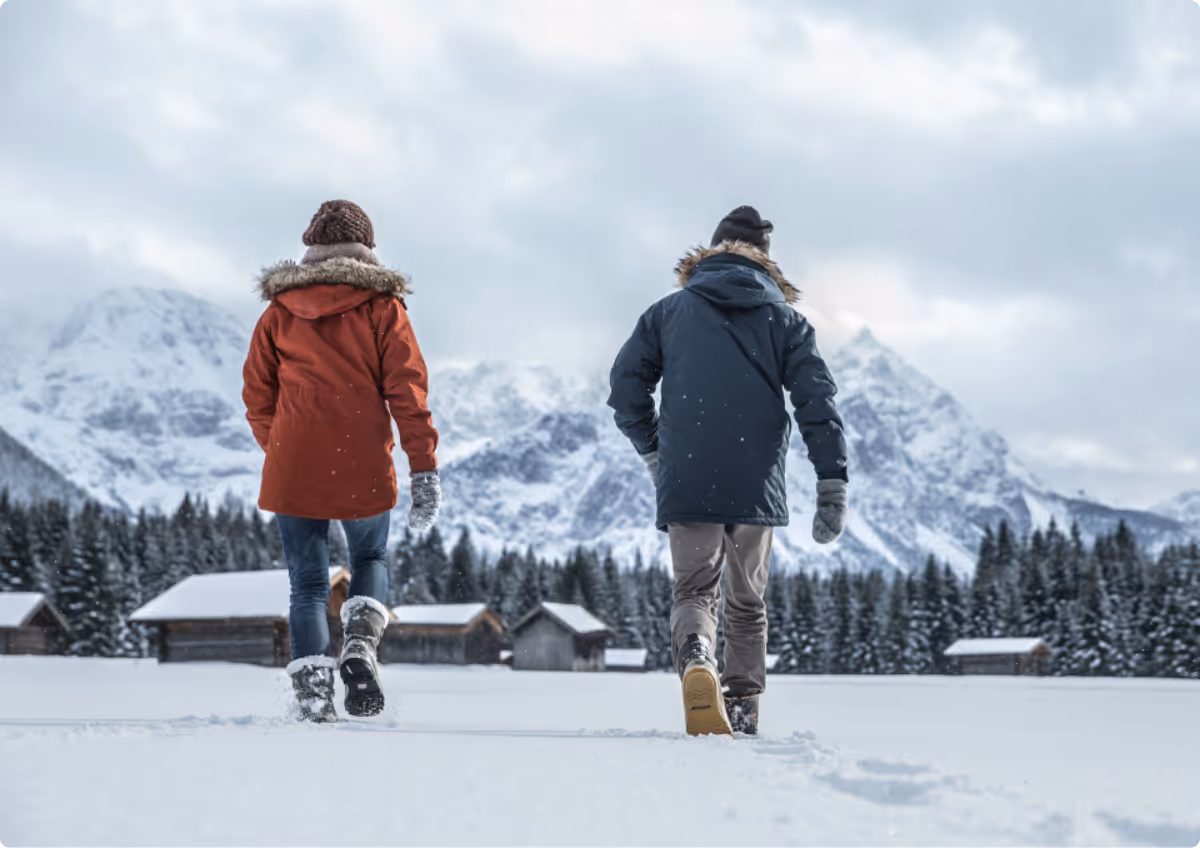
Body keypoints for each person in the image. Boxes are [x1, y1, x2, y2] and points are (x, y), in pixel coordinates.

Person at [608, 206, 848, 736]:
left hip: (687, 476)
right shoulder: (786, 321)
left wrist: (655, 452)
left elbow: (625, 392)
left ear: (710, 251)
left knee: (695, 592)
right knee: (747, 602)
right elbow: (817, 404)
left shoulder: (667, 313)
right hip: (755, 480)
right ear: (766, 260)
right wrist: (832, 483)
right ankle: (742, 707)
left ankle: (696, 657)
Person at [243, 200, 441, 722]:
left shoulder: (277, 312)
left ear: (310, 248)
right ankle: (360, 644)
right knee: (369, 561)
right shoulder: (383, 308)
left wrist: (283, 447)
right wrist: (424, 468)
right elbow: (408, 394)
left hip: (293, 465)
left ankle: (312, 696)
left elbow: (256, 397)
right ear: (367, 249)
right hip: (361, 462)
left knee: (307, 584)